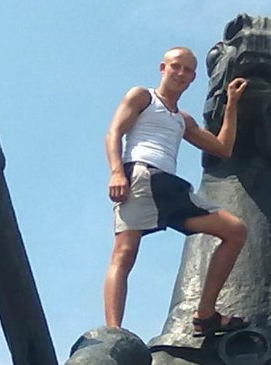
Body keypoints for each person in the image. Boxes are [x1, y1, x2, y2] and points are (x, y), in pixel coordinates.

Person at [103, 46, 248, 334]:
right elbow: (114, 132)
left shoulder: (182, 119)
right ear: (163, 68)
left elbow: (223, 148)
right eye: (176, 66)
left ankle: (205, 315)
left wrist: (232, 103)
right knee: (124, 252)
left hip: (170, 187)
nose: (181, 73)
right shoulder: (143, 97)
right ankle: (113, 331)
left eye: (188, 70)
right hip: (141, 176)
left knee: (235, 231)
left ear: (193, 77)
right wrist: (117, 172)